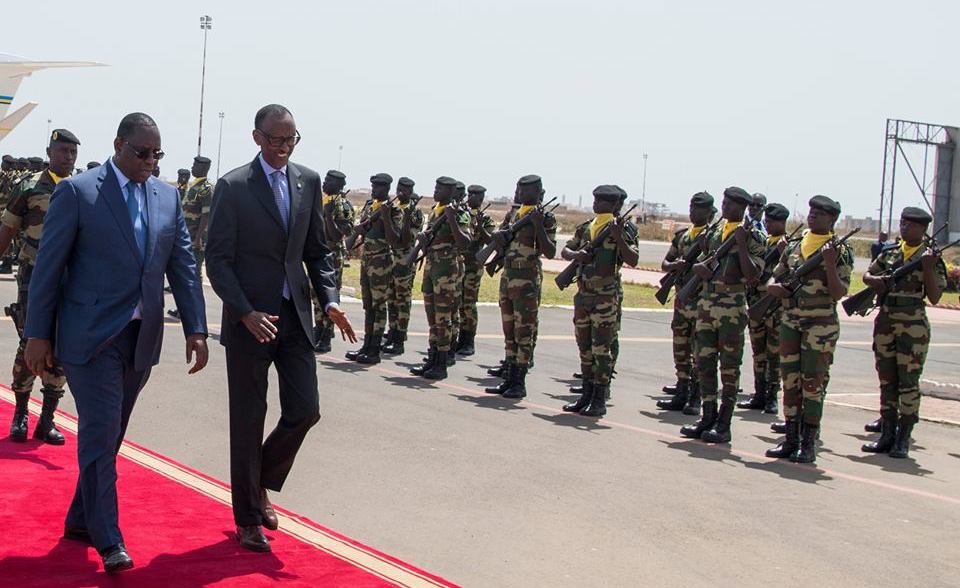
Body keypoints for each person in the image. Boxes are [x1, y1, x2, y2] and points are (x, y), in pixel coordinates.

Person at [23, 113, 209, 573]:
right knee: (101, 432)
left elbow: (183, 266)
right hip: (90, 338)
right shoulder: (80, 191)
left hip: (140, 338)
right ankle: (110, 540)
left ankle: (81, 520)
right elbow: (49, 267)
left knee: (109, 438)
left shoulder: (167, 197)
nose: (150, 161)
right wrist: (37, 335)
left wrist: (196, 328)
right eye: (142, 152)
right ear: (118, 145)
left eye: (157, 154)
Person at [205, 104, 355, 553]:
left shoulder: (308, 182)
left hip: (294, 318)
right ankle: (248, 517)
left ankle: (262, 480)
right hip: (251, 322)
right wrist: (244, 311)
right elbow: (218, 260)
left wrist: (329, 300)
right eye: (275, 140)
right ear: (257, 138)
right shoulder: (233, 187)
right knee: (248, 421)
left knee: (305, 409)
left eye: (291, 140)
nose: (284, 148)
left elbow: (318, 251)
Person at [0, 130, 79, 444]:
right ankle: (21, 413)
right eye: (62, 151)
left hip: (71, 282)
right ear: (49, 151)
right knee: (30, 343)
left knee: (61, 349)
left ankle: (46, 420)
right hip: (33, 279)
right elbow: (7, 229)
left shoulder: (82, 189)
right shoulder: (30, 186)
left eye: (72, 152)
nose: (68, 157)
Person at [764, 196, 852, 463]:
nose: (813, 215)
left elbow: (839, 293)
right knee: (789, 382)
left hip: (820, 324)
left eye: (820, 213)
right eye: (812, 211)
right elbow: (775, 275)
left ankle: (808, 442)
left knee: (812, 384)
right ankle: (790, 439)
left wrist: (828, 263)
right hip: (790, 321)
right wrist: (774, 287)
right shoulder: (794, 245)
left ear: (832, 219)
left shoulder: (839, 251)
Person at [680, 187, 764, 443]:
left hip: (732, 307)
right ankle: (707, 416)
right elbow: (705, 260)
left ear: (741, 207)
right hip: (707, 304)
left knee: (729, 368)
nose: (724, 207)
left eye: (729, 203)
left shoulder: (754, 236)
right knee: (703, 363)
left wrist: (740, 244)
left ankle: (724, 424)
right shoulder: (716, 231)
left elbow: (753, 276)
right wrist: (699, 268)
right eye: (724, 202)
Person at [861, 207, 945, 458]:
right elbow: (868, 273)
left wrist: (928, 268)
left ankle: (903, 438)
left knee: (907, 383)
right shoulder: (891, 253)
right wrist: (873, 280)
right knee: (887, 380)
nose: (905, 227)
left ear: (923, 229)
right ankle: (886, 434)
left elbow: (935, 296)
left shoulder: (929, 258)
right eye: (903, 223)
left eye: (911, 225)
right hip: (886, 320)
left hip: (913, 326)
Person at [561, 185, 639, 417]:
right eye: (595, 200)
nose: (596, 204)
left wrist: (618, 238)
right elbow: (565, 250)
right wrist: (577, 255)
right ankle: (585, 394)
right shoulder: (587, 228)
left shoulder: (622, 229)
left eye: (602, 201)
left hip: (605, 298)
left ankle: (599, 398)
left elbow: (633, 259)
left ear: (614, 206)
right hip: (583, 295)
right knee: (584, 347)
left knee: (601, 350)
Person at [484, 175, 557, 398]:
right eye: (519, 190)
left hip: (527, 278)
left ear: (537, 192)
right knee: (509, 330)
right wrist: (497, 237)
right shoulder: (515, 214)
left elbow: (551, 251)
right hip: (509, 276)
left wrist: (537, 225)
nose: (520, 194)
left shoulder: (545, 218)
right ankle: (509, 376)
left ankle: (519, 382)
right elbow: (500, 241)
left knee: (523, 331)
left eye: (525, 191)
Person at [657, 191, 714, 413]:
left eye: (698, 209)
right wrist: (675, 266)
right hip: (682, 301)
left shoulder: (713, 237)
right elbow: (664, 263)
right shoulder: (682, 236)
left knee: (700, 351)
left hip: (701, 303)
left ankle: (695, 396)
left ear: (708, 212)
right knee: (680, 348)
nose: (693, 212)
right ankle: (681, 390)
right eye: (691, 208)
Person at [409, 177, 471, 379]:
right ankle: (433, 357)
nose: (435, 191)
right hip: (431, 268)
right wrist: (423, 241)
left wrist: (452, 219)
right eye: (435, 187)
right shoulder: (435, 211)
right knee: (432, 316)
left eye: (440, 188)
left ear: (451, 192)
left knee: (443, 317)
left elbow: (465, 242)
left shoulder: (459, 213)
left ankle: (442, 362)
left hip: (447, 270)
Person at [739, 202, 790, 414]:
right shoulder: (761, 240)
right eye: (766, 221)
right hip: (757, 302)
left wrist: (782, 253)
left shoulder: (790, 244)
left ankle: (771, 396)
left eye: (771, 222)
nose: (767, 225)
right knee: (758, 350)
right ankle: (759, 393)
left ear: (782, 223)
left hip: (775, 306)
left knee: (774, 353)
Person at [345, 173, 401, 364]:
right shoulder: (370, 206)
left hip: (382, 261)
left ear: (386, 189)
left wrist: (385, 217)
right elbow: (362, 230)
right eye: (373, 187)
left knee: (378, 306)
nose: (374, 190)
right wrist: (359, 230)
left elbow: (395, 240)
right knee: (368, 305)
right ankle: (366, 345)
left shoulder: (392, 210)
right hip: (367, 260)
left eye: (378, 187)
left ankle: (375, 349)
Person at [313, 169, 354, 353]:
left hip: (332, 258)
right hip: (317, 254)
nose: (324, 183)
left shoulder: (342, 206)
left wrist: (328, 216)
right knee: (315, 295)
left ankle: (327, 336)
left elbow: (338, 235)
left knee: (329, 296)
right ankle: (319, 328)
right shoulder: (323, 201)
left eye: (329, 181)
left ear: (338, 186)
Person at [383, 176, 424, 356]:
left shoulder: (415, 212)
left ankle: (400, 339)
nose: (400, 192)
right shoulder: (394, 209)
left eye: (404, 190)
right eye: (399, 188)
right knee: (391, 298)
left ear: (410, 191)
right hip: (391, 259)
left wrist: (406, 218)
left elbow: (406, 239)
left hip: (405, 260)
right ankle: (392, 332)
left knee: (402, 300)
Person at [455, 184, 495, 356]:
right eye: (469, 195)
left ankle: (468, 341)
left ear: (481, 199)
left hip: (473, 266)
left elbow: (491, 242)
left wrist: (479, 227)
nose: (471, 198)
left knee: (469, 304)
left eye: (476, 196)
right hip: (460, 265)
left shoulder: (485, 219)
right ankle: (459, 339)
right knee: (458, 303)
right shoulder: (462, 214)